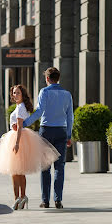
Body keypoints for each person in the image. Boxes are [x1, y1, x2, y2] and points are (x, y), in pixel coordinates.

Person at [0, 85, 60, 210]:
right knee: (18, 171)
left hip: (18, 139)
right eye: (14, 93)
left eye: (18, 93)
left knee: (15, 171)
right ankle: (21, 197)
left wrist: (17, 143)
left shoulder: (21, 108)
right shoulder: (20, 107)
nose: (15, 95)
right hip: (17, 137)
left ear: (23, 95)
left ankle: (18, 197)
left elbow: (19, 127)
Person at [20, 67, 73, 209]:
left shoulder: (44, 92)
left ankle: (45, 201)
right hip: (61, 131)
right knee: (59, 167)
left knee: (45, 167)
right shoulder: (67, 94)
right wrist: (69, 135)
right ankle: (58, 200)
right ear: (58, 78)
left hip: (47, 131)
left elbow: (39, 112)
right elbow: (70, 116)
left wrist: (24, 124)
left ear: (48, 79)